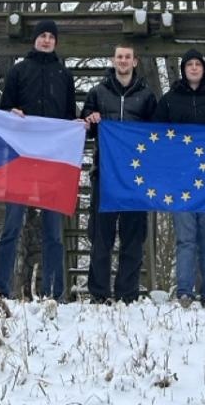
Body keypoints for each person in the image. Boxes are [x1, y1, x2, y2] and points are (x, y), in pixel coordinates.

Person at [0, 19, 78, 301]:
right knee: (11, 228)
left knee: (53, 232)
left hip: (53, 162)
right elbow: (5, 109)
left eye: (50, 36)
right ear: (34, 40)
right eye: (41, 35)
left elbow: (68, 116)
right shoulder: (19, 71)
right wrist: (12, 113)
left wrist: (75, 126)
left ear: (56, 41)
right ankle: (1, 288)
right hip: (21, 159)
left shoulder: (64, 75)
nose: (46, 40)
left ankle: (53, 291)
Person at [153, 48, 205, 306]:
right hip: (180, 179)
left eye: (198, 64)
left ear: (204, 69)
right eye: (190, 64)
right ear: (183, 69)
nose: (194, 68)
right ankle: (184, 291)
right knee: (185, 238)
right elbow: (156, 138)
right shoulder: (169, 101)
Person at [81, 44, 157, 303]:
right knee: (101, 236)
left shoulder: (147, 96)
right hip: (105, 173)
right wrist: (89, 119)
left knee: (133, 237)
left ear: (135, 62)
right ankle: (99, 293)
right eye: (119, 57)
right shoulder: (97, 92)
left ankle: (127, 294)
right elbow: (84, 128)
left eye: (127, 57)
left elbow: (155, 135)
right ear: (112, 61)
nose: (123, 61)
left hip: (137, 178)